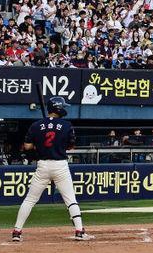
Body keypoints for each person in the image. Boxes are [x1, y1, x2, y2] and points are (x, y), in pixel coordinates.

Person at [11, 96, 93, 242]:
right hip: (60, 165)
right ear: (58, 108)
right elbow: (70, 146)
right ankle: (79, 231)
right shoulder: (66, 125)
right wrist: (56, 143)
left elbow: (27, 146)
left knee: (30, 200)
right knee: (70, 199)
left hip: (42, 165)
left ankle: (17, 232)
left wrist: (40, 144)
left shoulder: (36, 125)